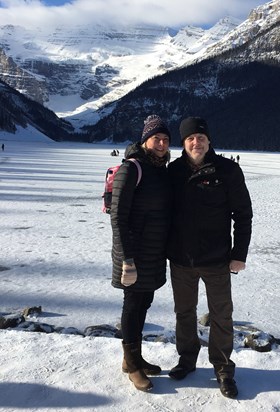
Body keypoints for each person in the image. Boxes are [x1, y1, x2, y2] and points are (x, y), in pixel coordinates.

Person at [167, 117, 253, 399]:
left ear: (209, 140)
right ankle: (187, 358)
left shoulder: (227, 170)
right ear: (184, 142)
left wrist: (239, 254)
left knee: (221, 315)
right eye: (190, 138)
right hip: (181, 258)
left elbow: (243, 215)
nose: (196, 142)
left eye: (201, 137)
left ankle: (223, 368)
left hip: (217, 259)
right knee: (184, 312)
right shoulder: (174, 171)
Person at [110, 114, 171, 392]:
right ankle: (132, 365)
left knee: (143, 303)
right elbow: (118, 218)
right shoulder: (132, 168)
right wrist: (127, 259)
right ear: (145, 140)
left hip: (154, 252)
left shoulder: (159, 169)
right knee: (133, 305)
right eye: (156, 138)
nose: (161, 143)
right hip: (134, 254)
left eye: (165, 139)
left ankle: (132, 358)